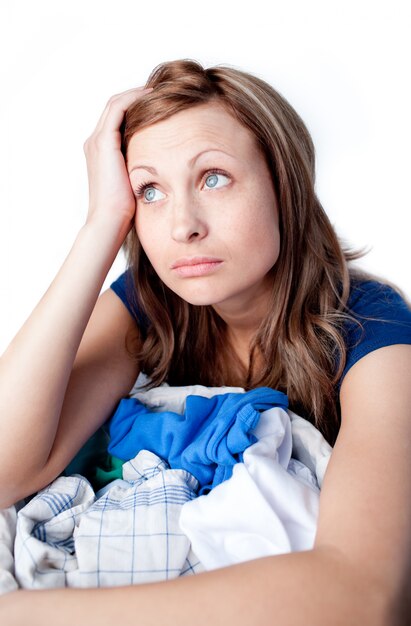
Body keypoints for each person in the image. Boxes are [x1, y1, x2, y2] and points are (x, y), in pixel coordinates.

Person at [0, 59, 410, 624]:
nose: (181, 226)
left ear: (284, 185)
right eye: (150, 191)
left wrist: (28, 615)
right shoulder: (151, 301)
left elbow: (365, 594)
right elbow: (4, 470)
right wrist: (101, 222)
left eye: (213, 177)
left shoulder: (374, 326)